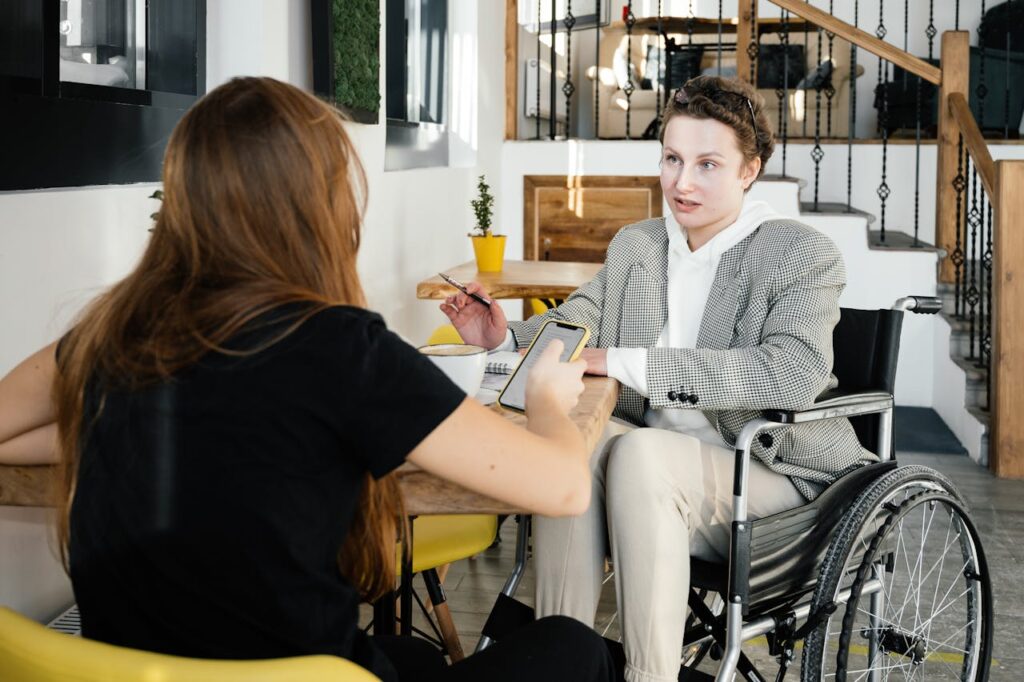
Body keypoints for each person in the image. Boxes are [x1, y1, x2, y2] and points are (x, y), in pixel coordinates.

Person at [0, 77, 616, 682]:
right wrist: (546, 401)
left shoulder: (111, 331)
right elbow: (564, 488)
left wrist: (128, 426)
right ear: (320, 207)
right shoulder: (344, 350)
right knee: (573, 647)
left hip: (133, 672)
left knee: (415, 660)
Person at [442, 75, 876, 682]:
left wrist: (625, 362)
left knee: (641, 453)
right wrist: (502, 336)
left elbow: (790, 376)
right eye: (672, 159)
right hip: (650, 475)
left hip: (774, 476)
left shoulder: (800, 253)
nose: (682, 182)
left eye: (707, 164)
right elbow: (580, 320)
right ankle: (559, 667)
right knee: (573, 450)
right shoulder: (639, 246)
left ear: (749, 171)